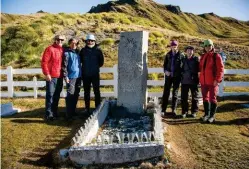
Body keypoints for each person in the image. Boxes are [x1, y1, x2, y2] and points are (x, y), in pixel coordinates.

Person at [199, 39, 224, 123]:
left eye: (209, 45)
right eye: (206, 46)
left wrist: (217, 80)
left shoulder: (216, 56)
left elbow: (220, 69)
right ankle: (206, 114)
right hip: (204, 81)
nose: (208, 47)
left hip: (213, 82)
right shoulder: (203, 56)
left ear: (212, 46)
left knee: (212, 98)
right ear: (204, 47)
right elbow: (200, 68)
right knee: (205, 98)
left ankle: (212, 116)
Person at [41, 34, 65, 120]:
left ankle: (54, 112)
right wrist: (47, 74)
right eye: (58, 39)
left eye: (62, 40)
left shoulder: (62, 50)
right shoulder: (49, 49)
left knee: (57, 95)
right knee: (50, 95)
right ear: (55, 40)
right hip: (51, 76)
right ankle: (48, 114)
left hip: (60, 76)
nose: (60, 41)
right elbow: (44, 62)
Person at [79, 34, 104, 114]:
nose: (90, 42)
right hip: (85, 75)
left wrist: (95, 68)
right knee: (86, 92)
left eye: (92, 40)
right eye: (88, 41)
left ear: (94, 41)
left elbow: (101, 62)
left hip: (95, 75)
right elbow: (80, 61)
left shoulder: (98, 50)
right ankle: (87, 108)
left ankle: (97, 108)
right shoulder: (83, 51)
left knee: (97, 91)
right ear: (86, 41)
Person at [161, 40, 184, 116]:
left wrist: (181, 74)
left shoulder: (181, 55)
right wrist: (165, 71)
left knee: (175, 93)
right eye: (173, 46)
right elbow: (164, 65)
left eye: (175, 46)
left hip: (177, 77)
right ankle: (163, 109)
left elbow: (183, 66)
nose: (174, 48)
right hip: (168, 76)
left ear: (177, 46)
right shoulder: (168, 55)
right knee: (166, 93)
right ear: (170, 46)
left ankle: (173, 109)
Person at [62, 38, 82, 119]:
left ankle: (73, 111)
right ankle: (69, 114)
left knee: (76, 95)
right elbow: (64, 66)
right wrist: (65, 76)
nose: (74, 45)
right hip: (70, 77)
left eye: (76, 43)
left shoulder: (78, 53)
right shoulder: (67, 53)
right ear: (69, 44)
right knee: (70, 95)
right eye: (72, 43)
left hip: (78, 77)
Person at [181, 46, 199, 118]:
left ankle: (194, 112)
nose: (189, 52)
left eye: (191, 50)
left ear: (193, 52)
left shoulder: (196, 60)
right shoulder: (183, 59)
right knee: (184, 97)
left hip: (193, 81)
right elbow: (181, 69)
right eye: (188, 50)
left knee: (194, 97)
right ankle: (184, 111)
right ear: (186, 51)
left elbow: (199, 69)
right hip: (184, 81)